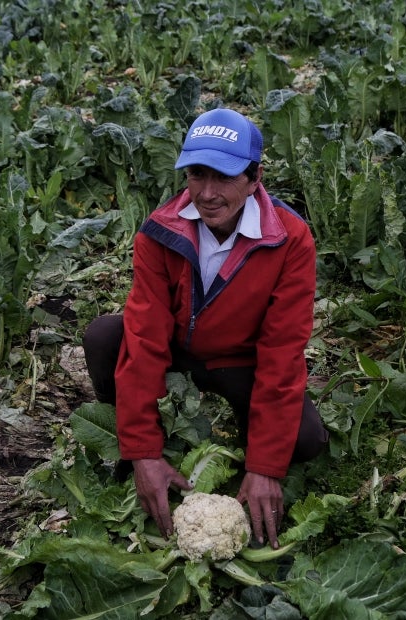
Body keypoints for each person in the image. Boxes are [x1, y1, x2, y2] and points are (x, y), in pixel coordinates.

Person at [82, 108, 329, 549]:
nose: (208, 193)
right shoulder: (160, 232)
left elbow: (282, 351)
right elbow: (144, 341)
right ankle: (129, 443)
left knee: (306, 440)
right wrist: (143, 452)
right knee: (106, 337)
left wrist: (265, 467)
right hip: (178, 352)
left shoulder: (289, 240)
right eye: (197, 175)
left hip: (240, 362)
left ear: (255, 179)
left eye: (224, 177)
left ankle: (240, 434)